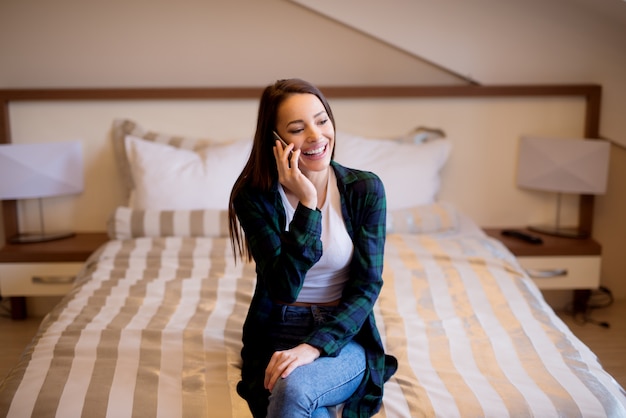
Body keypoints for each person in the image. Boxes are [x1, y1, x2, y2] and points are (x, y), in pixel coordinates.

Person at [228, 78, 397, 418]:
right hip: (277, 328)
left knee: (294, 389)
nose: (316, 136)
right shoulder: (254, 198)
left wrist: (313, 347)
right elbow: (283, 287)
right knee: (300, 403)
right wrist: (307, 205)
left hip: (344, 330)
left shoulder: (365, 189)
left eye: (322, 120)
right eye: (297, 128)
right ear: (274, 140)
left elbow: (367, 286)